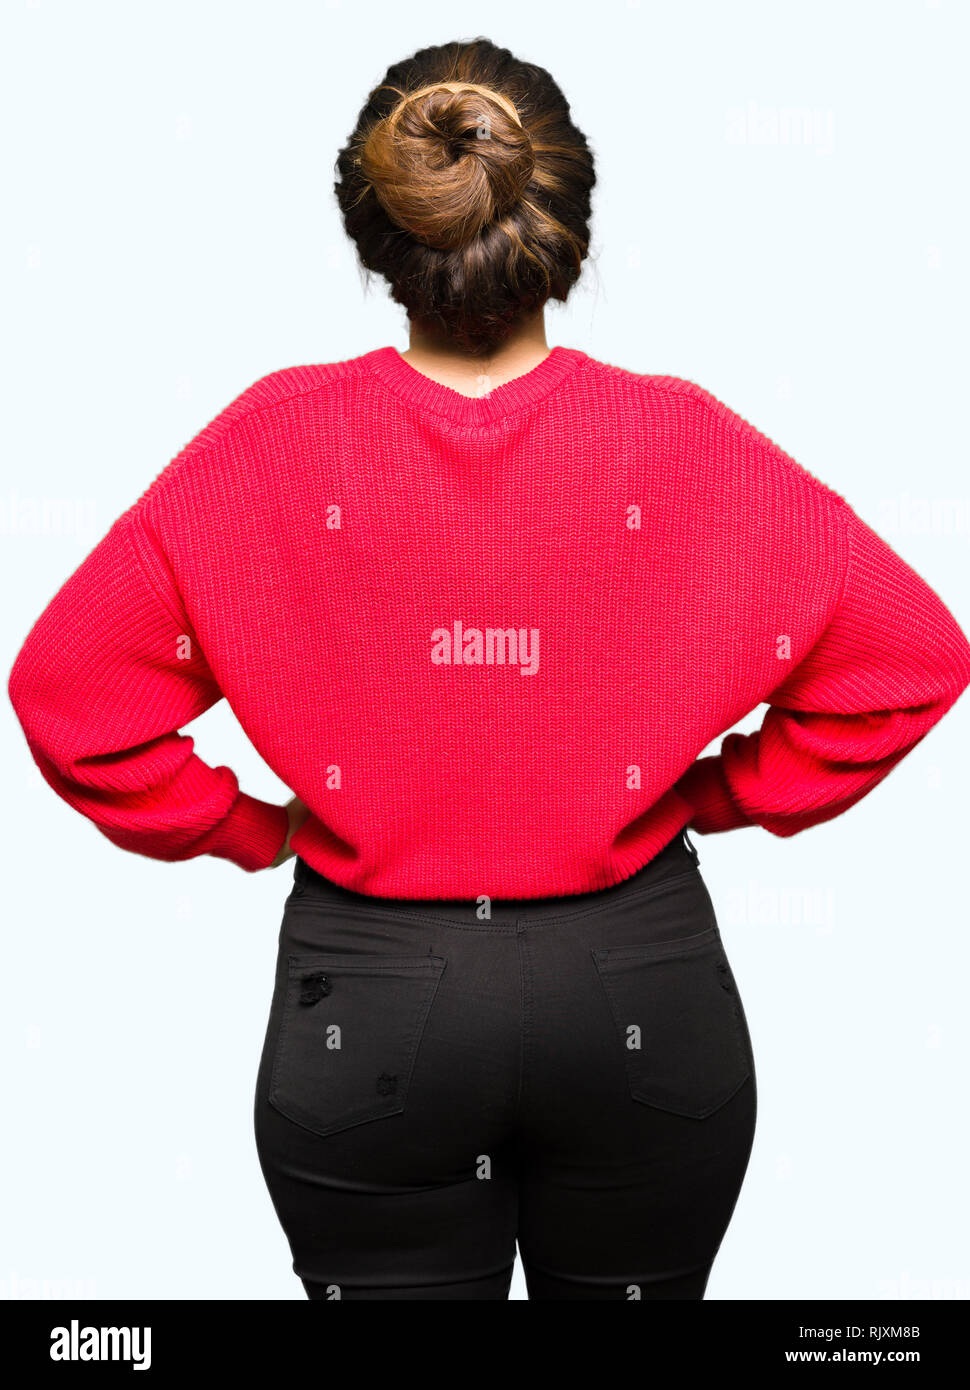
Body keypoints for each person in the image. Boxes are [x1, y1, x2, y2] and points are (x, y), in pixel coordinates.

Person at [8, 37, 970, 1301]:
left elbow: (71, 700)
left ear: (374, 234)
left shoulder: (266, 447)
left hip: (374, 998)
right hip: (636, 982)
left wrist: (257, 828)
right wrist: (714, 796)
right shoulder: (684, 440)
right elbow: (909, 658)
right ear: (561, 220)